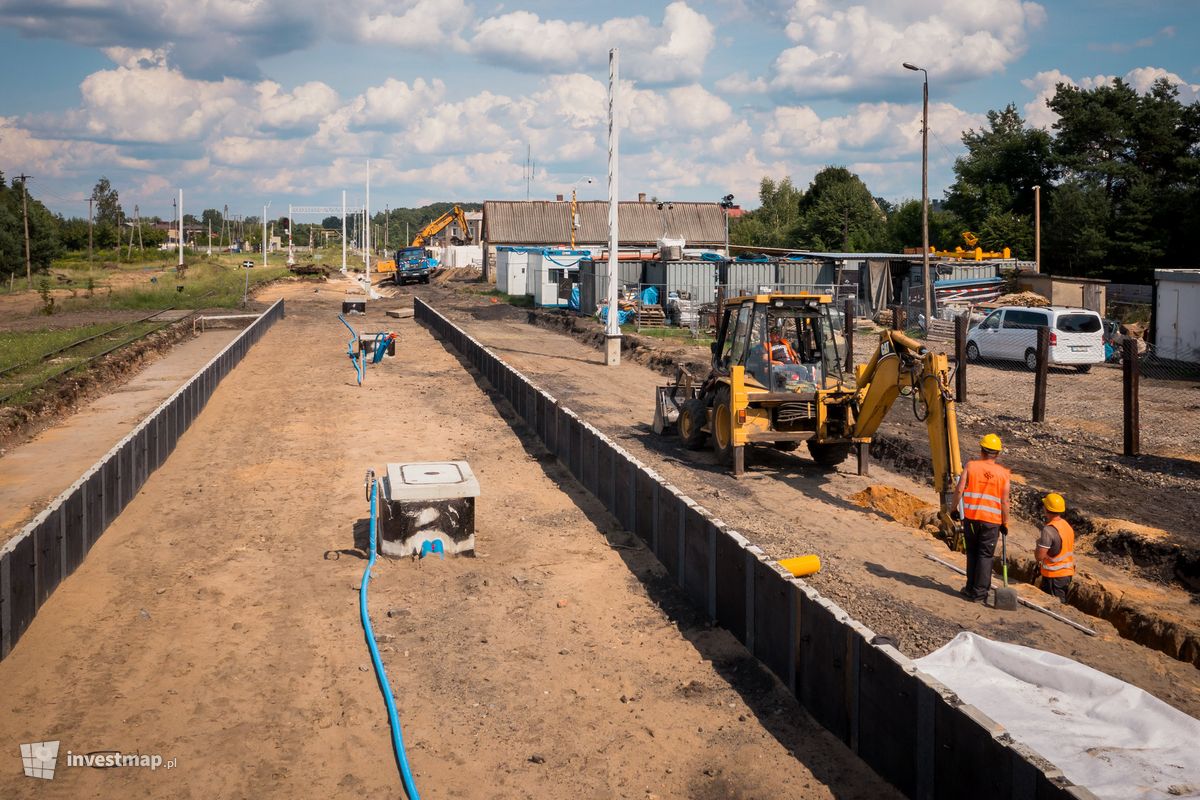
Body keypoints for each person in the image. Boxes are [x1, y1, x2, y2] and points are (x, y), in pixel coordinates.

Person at [950, 433, 1011, 603]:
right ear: (997, 454)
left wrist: (954, 509)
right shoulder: (1004, 474)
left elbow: (959, 489)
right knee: (985, 556)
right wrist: (1005, 522)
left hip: (971, 519)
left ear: (982, 450)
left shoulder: (971, 466)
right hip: (992, 522)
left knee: (972, 554)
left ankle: (970, 589)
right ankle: (979, 593)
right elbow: (1005, 501)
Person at [1035, 492, 1075, 600]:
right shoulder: (1066, 525)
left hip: (1053, 576)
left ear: (1046, 508)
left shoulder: (1048, 530)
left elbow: (1039, 556)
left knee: (1053, 607)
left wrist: (1038, 544)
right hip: (1066, 574)